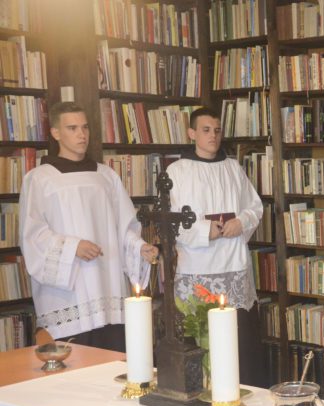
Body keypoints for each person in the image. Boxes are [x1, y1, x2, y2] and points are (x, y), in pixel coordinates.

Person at [19, 102, 158, 351]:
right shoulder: (39, 179)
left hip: (107, 285)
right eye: (72, 128)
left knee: (114, 359)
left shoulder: (105, 176)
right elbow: (33, 235)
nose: (82, 134)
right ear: (56, 133)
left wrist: (139, 247)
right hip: (69, 293)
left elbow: (121, 224)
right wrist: (73, 247)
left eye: (85, 127)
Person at [166, 106, 266, 387]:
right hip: (197, 265)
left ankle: (241, 390)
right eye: (206, 130)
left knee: (237, 342)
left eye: (217, 130)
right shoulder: (177, 171)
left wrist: (241, 222)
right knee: (199, 340)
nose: (213, 136)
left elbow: (255, 207)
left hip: (232, 263)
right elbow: (170, 220)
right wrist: (203, 230)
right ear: (192, 133)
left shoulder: (233, 168)